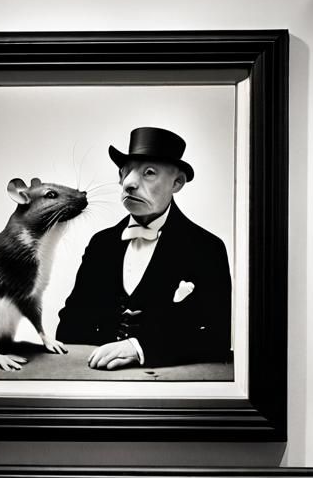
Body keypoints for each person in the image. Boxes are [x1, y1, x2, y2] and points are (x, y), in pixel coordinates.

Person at [56, 127, 231, 370]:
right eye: (124, 172)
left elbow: (218, 337)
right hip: (96, 381)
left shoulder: (207, 248)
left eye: (148, 173)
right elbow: (70, 324)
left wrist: (140, 348)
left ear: (177, 182)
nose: (128, 184)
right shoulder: (101, 244)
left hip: (168, 388)